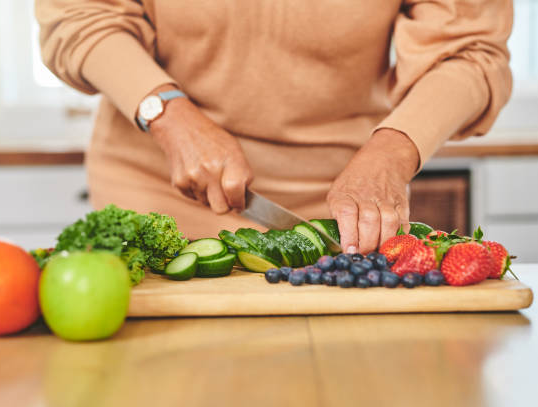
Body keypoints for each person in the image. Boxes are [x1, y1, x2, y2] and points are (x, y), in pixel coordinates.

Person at [36, 0, 512, 254]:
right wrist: (167, 114)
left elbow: (470, 49)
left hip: (335, 212)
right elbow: (80, 14)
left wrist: (393, 151)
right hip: (156, 190)